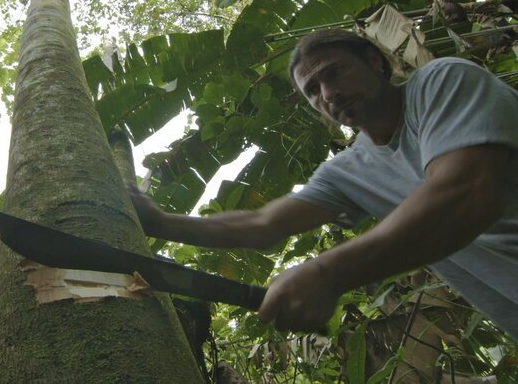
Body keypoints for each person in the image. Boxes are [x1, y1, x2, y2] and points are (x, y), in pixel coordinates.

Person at [130, 29, 518, 339]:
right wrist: (162, 223)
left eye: (334, 73)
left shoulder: (441, 82)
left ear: (374, 62)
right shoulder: (350, 170)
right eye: (312, 91)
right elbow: (263, 225)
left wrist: (327, 273)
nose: (328, 94)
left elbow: (467, 193)